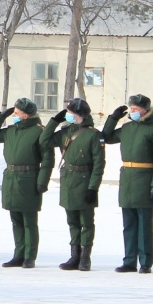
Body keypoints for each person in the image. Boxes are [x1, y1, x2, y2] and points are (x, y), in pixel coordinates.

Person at [0, 98, 52, 268]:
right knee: (16, 219)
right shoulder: (11, 131)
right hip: (11, 178)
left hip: (29, 178)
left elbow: (47, 159)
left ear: (26, 115)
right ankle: (18, 254)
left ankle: (30, 256)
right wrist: (1, 116)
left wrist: (42, 181)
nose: (13, 116)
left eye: (16, 113)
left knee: (29, 220)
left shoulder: (39, 132)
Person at [41, 98, 105, 271]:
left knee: (86, 222)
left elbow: (99, 164)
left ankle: (85, 257)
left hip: (84, 180)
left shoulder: (93, 135)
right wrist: (54, 121)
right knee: (72, 221)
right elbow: (44, 141)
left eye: (71, 113)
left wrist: (93, 187)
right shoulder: (65, 132)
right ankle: (74, 255)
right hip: (68, 180)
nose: (68, 115)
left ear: (80, 115)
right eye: (67, 112)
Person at [101, 95, 153, 273]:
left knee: (144, 222)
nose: (132, 111)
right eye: (131, 108)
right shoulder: (126, 128)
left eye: (135, 108)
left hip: (145, 177)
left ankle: (145, 261)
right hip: (127, 177)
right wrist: (113, 118)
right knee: (128, 223)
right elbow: (106, 136)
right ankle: (129, 260)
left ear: (145, 110)